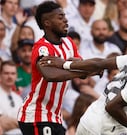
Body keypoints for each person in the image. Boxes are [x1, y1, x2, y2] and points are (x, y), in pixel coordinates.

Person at [17, 1, 99, 135]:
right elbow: (50, 75)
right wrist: (76, 70)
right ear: (47, 23)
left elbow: (82, 70)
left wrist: (86, 68)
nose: (66, 20)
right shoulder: (42, 47)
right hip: (36, 114)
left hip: (55, 116)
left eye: (65, 16)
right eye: (60, 17)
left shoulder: (69, 43)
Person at [0, 61, 23, 135]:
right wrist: (23, 124)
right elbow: (2, 122)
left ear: (16, 76)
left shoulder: (18, 98)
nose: (10, 76)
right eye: (6, 73)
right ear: (0, 75)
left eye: (13, 73)